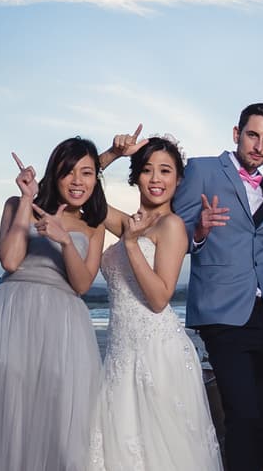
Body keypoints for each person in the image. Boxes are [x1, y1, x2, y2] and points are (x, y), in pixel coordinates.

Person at [0, 137, 106, 471]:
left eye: (88, 173)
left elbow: (81, 284)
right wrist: (26, 199)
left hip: (64, 322)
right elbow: (9, 260)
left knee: (59, 412)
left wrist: (64, 240)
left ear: (97, 179)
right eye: (69, 172)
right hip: (12, 313)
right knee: (5, 407)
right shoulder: (15, 204)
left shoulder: (94, 226)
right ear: (56, 172)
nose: (78, 181)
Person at [87, 129, 223, 470]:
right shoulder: (128, 222)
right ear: (136, 176)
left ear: (178, 180)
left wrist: (131, 245)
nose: (155, 178)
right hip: (120, 354)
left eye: (165, 170)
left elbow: (160, 297)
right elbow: (81, 191)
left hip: (158, 355)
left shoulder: (172, 226)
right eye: (147, 169)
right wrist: (113, 154)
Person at [172, 103, 263, 470]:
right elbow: (176, 234)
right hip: (221, 311)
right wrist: (200, 230)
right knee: (242, 412)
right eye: (253, 135)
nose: (259, 145)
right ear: (237, 134)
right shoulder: (202, 170)